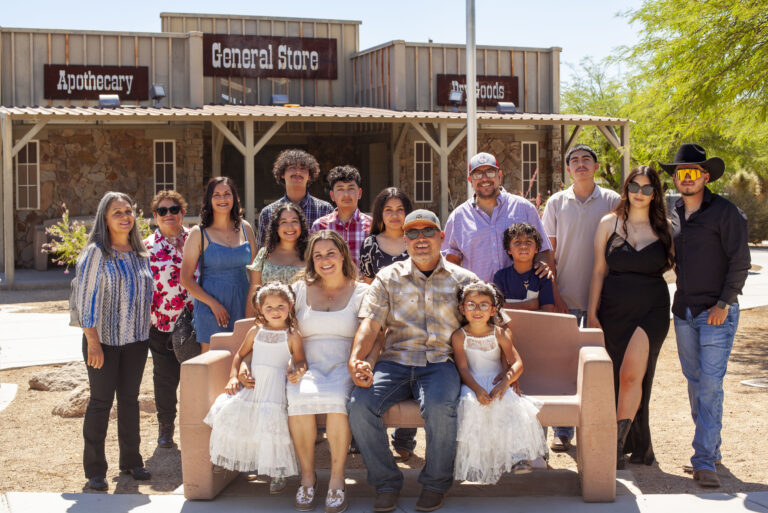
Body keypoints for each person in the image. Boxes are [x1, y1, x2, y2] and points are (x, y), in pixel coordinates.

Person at [348, 209, 478, 513]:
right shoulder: (388, 277)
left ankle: (435, 484)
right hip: (394, 361)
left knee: (440, 407)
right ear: (404, 239)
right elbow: (371, 324)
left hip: (440, 363)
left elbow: (491, 322)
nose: (421, 239)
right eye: (413, 233)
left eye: (428, 231)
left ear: (441, 237)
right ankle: (386, 483)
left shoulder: (464, 280)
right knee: (359, 405)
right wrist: (356, 359)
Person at [659, 143, 750, 488]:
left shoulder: (726, 212)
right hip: (684, 311)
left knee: (710, 385)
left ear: (705, 177)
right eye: (681, 172)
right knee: (696, 383)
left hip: (716, 313)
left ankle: (703, 460)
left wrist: (723, 304)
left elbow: (740, 262)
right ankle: (712, 449)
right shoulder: (673, 214)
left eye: (693, 172)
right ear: (675, 179)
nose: (686, 178)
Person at [587, 166, 674, 469]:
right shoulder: (608, 223)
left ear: (655, 194)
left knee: (631, 376)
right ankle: (631, 443)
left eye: (647, 188)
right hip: (612, 309)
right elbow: (599, 270)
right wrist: (592, 312)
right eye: (634, 186)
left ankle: (617, 444)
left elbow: (679, 269)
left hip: (652, 310)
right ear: (626, 189)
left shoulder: (665, 228)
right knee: (611, 376)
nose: (640, 193)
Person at [541, 143, 620, 452]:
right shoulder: (556, 203)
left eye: (587, 159)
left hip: (605, 299)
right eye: (574, 160)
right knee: (564, 364)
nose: (581, 163)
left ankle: (600, 428)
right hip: (567, 297)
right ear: (568, 169)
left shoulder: (612, 200)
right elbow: (549, 252)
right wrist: (554, 294)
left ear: (596, 167)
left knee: (601, 365)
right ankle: (562, 431)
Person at [72, 191, 153, 491]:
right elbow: (84, 299)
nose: (124, 217)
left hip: (136, 340)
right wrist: (92, 341)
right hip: (102, 342)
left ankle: (131, 461)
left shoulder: (140, 253)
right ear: (104, 219)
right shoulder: (96, 252)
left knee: (130, 400)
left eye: (128, 211)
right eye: (117, 212)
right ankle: (95, 470)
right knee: (101, 402)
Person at [284, 231, 369, 513]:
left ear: (343, 254)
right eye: (317, 255)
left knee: (336, 400)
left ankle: (336, 478)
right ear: (311, 260)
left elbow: (370, 334)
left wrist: (359, 364)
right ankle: (308, 477)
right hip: (307, 362)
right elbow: (283, 328)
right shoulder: (299, 289)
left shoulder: (361, 292)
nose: (325, 260)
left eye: (330, 253)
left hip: (344, 363)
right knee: (297, 396)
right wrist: (291, 361)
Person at [204, 282, 305, 494]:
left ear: (290, 305)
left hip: (275, 389)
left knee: (272, 428)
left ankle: (277, 471)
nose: (275, 311)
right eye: (269, 307)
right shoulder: (256, 331)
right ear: (260, 309)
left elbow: (301, 360)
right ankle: (228, 457)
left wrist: (298, 371)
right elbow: (240, 355)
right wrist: (234, 376)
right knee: (231, 414)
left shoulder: (292, 335)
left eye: (280, 306)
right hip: (254, 385)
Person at [452, 281, 547, 484]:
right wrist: (477, 389)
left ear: (493, 309)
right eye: (471, 305)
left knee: (508, 403)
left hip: (497, 381)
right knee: (470, 404)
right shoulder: (459, 336)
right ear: (462, 308)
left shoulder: (500, 334)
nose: (478, 310)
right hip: (472, 383)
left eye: (484, 305)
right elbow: (463, 369)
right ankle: (477, 461)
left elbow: (517, 363)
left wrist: (505, 382)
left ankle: (518, 456)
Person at [358, 187, 417, 460]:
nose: (394, 215)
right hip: (381, 321)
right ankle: (371, 436)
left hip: (413, 320)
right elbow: (368, 285)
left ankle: (405, 438)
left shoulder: (417, 240)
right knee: (379, 376)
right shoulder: (371, 243)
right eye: (388, 210)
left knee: (413, 373)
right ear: (380, 214)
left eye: (400, 210)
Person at [442, 152, 552, 282]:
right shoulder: (458, 217)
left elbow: (544, 250)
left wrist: (541, 265)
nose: (484, 179)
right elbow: (449, 261)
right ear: (470, 180)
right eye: (478, 174)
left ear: (499, 175)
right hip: (478, 293)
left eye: (490, 172)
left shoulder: (524, 208)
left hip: (521, 292)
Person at [180, 177, 258, 352]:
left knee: (242, 357)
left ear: (234, 198)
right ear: (209, 199)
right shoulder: (198, 233)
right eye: (216, 195)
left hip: (243, 302)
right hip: (210, 307)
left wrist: (251, 310)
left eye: (227, 194)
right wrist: (213, 305)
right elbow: (185, 279)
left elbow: (256, 273)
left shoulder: (246, 228)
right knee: (212, 361)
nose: (222, 199)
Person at [143, 190, 193, 449]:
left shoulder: (197, 239)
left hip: (195, 322)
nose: (168, 214)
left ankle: (196, 429)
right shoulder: (146, 247)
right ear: (155, 216)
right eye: (162, 211)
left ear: (182, 212)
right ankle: (166, 427)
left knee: (196, 379)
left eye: (174, 209)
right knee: (165, 379)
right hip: (162, 323)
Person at [257, 149, 333, 248]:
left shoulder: (325, 210)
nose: (297, 172)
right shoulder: (268, 213)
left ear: (309, 175)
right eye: (292, 168)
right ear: (282, 174)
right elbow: (262, 251)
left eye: (302, 168)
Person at [311, 165, 372, 267]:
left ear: (359, 193)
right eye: (340, 189)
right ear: (332, 195)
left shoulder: (372, 226)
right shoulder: (319, 226)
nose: (346, 194)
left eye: (351, 188)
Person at [493, 223, 555, 312]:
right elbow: (496, 308)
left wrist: (509, 305)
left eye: (528, 242)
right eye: (517, 242)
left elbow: (548, 311)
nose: (523, 246)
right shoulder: (501, 277)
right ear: (509, 250)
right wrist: (530, 305)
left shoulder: (543, 276)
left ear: (536, 249)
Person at [247, 202, 308, 286]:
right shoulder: (264, 254)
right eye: (284, 222)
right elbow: (254, 289)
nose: (290, 227)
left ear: (301, 225)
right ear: (276, 227)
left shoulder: (311, 254)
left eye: (294, 221)